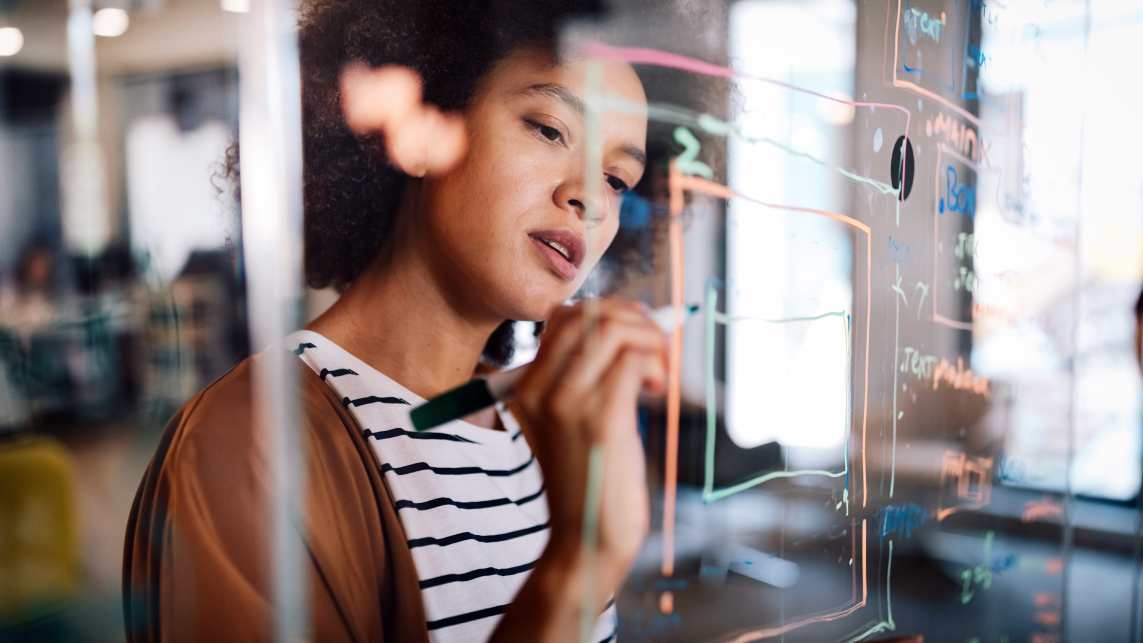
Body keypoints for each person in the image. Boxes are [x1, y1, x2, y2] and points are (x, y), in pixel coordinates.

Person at [122, 1, 666, 641]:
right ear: (420, 129)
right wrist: (577, 566)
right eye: (549, 130)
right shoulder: (249, 446)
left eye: (618, 178)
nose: (589, 200)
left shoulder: (544, 428)